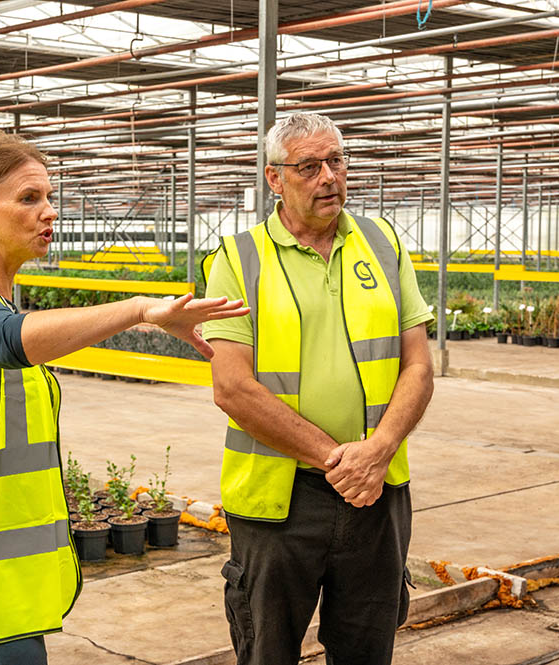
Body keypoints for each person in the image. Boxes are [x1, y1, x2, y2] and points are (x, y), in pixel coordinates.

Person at [0, 128, 247, 664]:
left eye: (49, 197)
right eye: (28, 198)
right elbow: (7, 340)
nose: (49, 211)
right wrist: (139, 308)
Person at [201, 112, 435, 665]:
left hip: (377, 493)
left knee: (366, 649)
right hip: (281, 502)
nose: (329, 176)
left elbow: (418, 366)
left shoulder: (383, 244)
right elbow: (232, 387)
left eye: (337, 161)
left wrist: (377, 452)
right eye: (309, 166)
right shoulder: (239, 258)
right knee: (268, 650)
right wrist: (339, 460)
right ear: (275, 179)